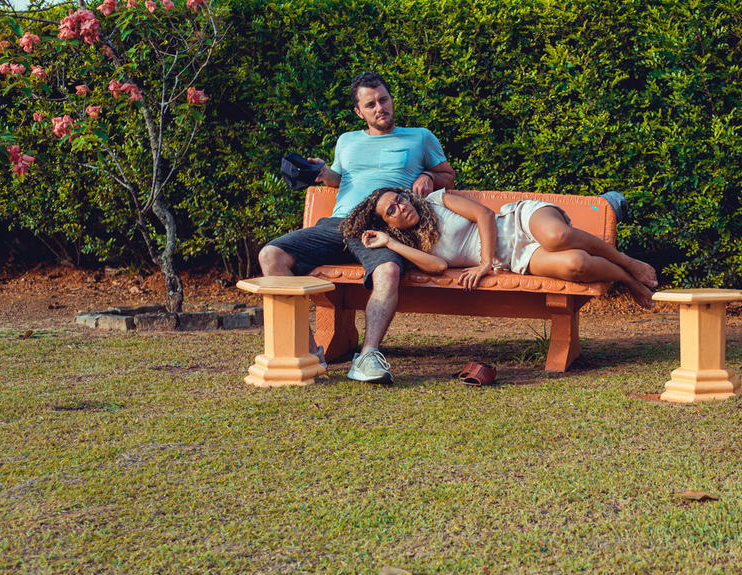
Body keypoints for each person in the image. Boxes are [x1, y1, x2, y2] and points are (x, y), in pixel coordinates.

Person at [258, 71, 455, 385]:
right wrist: (323, 173)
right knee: (271, 255)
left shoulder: (420, 137)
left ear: (391, 100)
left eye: (384, 100)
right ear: (359, 111)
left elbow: (448, 177)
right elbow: (341, 179)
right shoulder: (346, 141)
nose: (380, 108)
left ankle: (368, 356)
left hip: (384, 228)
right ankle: (309, 352)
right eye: (371, 104)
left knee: (388, 272)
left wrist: (430, 177)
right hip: (339, 224)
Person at [337, 188, 659, 312]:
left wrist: (484, 263)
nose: (401, 207)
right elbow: (436, 267)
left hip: (517, 223)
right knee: (576, 265)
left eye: (399, 199)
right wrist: (390, 244)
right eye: (391, 211)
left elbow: (485, 215)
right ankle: (628, 281)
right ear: (388, 225)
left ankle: (626, 260)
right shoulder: (410, 245)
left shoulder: (437, 199)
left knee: (557, 236)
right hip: (514, 259)